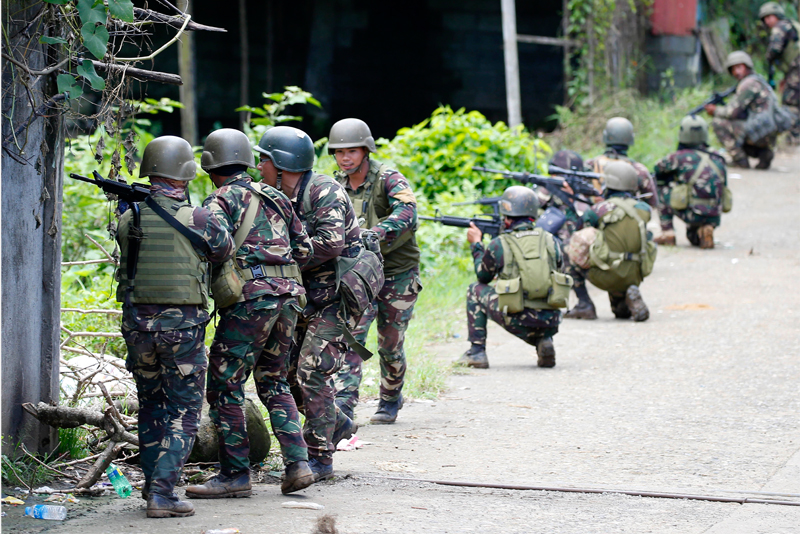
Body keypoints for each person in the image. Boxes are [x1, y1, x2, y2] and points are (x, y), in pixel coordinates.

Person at [185, 129, 315, 499]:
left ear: (210, 167)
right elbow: (303, 249)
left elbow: (215, 249)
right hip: (290, 296)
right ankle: (298, 464)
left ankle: (235, 474)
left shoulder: (218, 201)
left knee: (225, 385)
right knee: (273, 380)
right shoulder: (275, 195)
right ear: (244, 161)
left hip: (251, 302)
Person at [116, 136, 235, 518]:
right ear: (184, 175)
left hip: (138, 328)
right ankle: (163, 495)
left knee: (150, 405)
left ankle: (153, 485)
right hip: (182, 329)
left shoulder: (127, 217)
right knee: (183, 409)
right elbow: (222, 250)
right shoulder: (201, 218)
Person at [254, 125, 361, 482]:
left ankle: (320, 458)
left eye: (264, 159)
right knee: (282, 372)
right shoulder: (275, 193)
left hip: (335, 297)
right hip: (303, 296)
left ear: (282, 163)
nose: (258, 166)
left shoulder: (323, 190)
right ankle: (337, 422)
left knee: (312, 371)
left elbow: (331, 243)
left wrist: (278, 257)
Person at [328, 118, 422, 425]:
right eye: (339, 152)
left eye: (352, 151)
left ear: (366, 151)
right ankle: (345, 406)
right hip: (360, 276)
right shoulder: (336, 186)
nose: (345, 158)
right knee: (351, 338)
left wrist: (378, 231)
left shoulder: (389, 178)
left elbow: (408, 212)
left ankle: (390, 397)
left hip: (397, 273)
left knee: (390, 342)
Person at [459, 186, 570, 369]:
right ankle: (544, 339)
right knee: (542, 296)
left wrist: (477, 245)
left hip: (519, 318)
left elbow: (482, 277)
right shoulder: (551, 240)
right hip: (551, 319)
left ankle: (477, 352)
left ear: (507, 216)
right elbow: (557, 273)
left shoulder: (499, 244)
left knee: (474, 290)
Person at [568, 161, 656, 322]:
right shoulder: (644, 209)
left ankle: (584, 304)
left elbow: (578, 231)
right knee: (621, 313)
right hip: (635, 272)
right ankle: (628, 293)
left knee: (568, 250)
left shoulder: (598, 210)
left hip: (608, 271)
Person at [653, 116, 729, 249]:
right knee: (693, 238)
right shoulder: (719, 157)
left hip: (692, 213)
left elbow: (657, 169)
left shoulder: (678, 157)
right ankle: (706, 227)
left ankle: (668, 232)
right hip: (714, 214)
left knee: (661, 187)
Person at [545, 150, 597, 321]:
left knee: (563, 249)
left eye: (557, 174)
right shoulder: (550, 193)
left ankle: (584, 303)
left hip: (587, 257)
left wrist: (571, 200)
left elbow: (578, 233)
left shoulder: (582, 200)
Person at [704, 51, 778, 169]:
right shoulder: (759, 80)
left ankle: (740, 160)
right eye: (733, 69)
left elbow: (732, 112)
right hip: (769, 132)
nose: (736, 72)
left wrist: (714, 110)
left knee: (718, 122)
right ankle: (765, 154)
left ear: (747, 66)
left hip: (759, 131)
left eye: (739, 67)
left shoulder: (747, 84)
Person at [585, 117, 659, 209]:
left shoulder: (590, 165)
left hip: (594, 218)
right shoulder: (638, 169)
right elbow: (652, 203)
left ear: (605, 136)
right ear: (630, 138)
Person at [760, 1, 800, 141]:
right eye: (765, 18)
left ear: (776, 16)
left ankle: (794, 136)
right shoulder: (793, 24)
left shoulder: (780, 27)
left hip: (796, 69)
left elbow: (775, 49)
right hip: (794, 70)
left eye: (769, 17)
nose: (767, 21)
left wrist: (768, 59)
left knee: (791, 103)